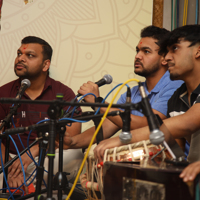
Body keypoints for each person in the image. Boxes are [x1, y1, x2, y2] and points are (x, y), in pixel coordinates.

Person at [64, 26, 183, 155]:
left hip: (165, 162)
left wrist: (98, 102)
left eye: (146, 51)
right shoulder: (133, 92)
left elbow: (150, 125)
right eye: (137, 51)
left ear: (165, 58)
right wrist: (72, 142)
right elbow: (104, 128)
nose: (137, 56)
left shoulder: (175, 86)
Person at [92, 24, 200, 164]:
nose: (167, 58)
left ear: (198, 51)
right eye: (166, 51)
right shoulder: (177, 98)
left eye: (175, 48)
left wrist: (121, 140)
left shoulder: (173, 90)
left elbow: (187, 123)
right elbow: (174, 146)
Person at [0, 36, 83, 191]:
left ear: (46, 65)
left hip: (46, 159)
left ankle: (24, 185)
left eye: (29, 55)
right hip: (10, 162)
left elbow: (71, 136)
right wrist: (8, 167)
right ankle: (26, 183)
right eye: (19, 54)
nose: (20, 59)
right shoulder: (4, 93)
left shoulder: (63, 93)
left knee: (75, 156)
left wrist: (35, 150)